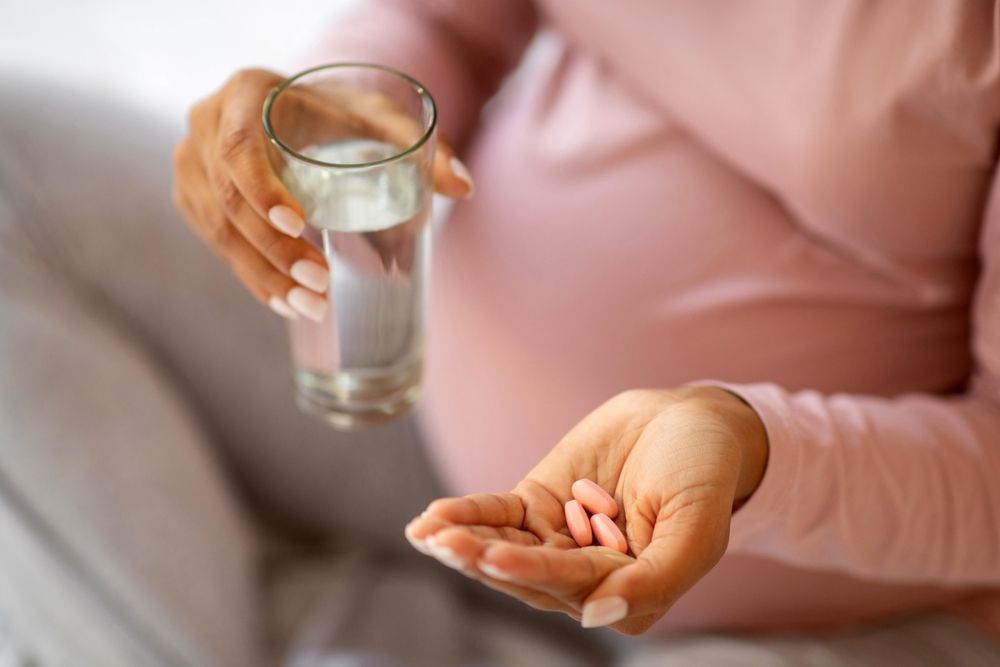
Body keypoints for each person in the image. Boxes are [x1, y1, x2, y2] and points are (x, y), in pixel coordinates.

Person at [3, 0, 1000, 665]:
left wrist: (749, 450)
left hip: (817, 602)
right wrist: (345, 120)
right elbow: (449, 18)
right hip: (413, 392)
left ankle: (318, 612)